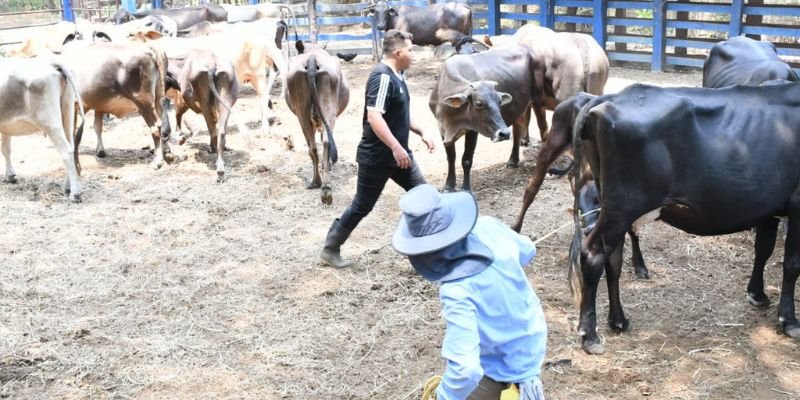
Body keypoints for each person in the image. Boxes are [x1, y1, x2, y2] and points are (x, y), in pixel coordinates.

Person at [392, 184, 547, 400]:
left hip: (505, 368)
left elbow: (466, 370)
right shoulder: (490, 227)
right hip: (532, 344)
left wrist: (443, 397)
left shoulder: (456, 291)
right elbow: (528, 250)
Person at [320, 30, 436, 268]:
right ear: (398, 52)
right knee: (362, 205)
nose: (414, 55)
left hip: (399, 156)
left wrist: (421, 131)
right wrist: (395, 147)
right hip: (378, 157)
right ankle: (330, 248)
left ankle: (427, 249)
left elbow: (398, 114)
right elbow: (374, 116)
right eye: (411, 50)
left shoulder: (398, 75)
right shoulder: (382, 77)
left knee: (425, 196)